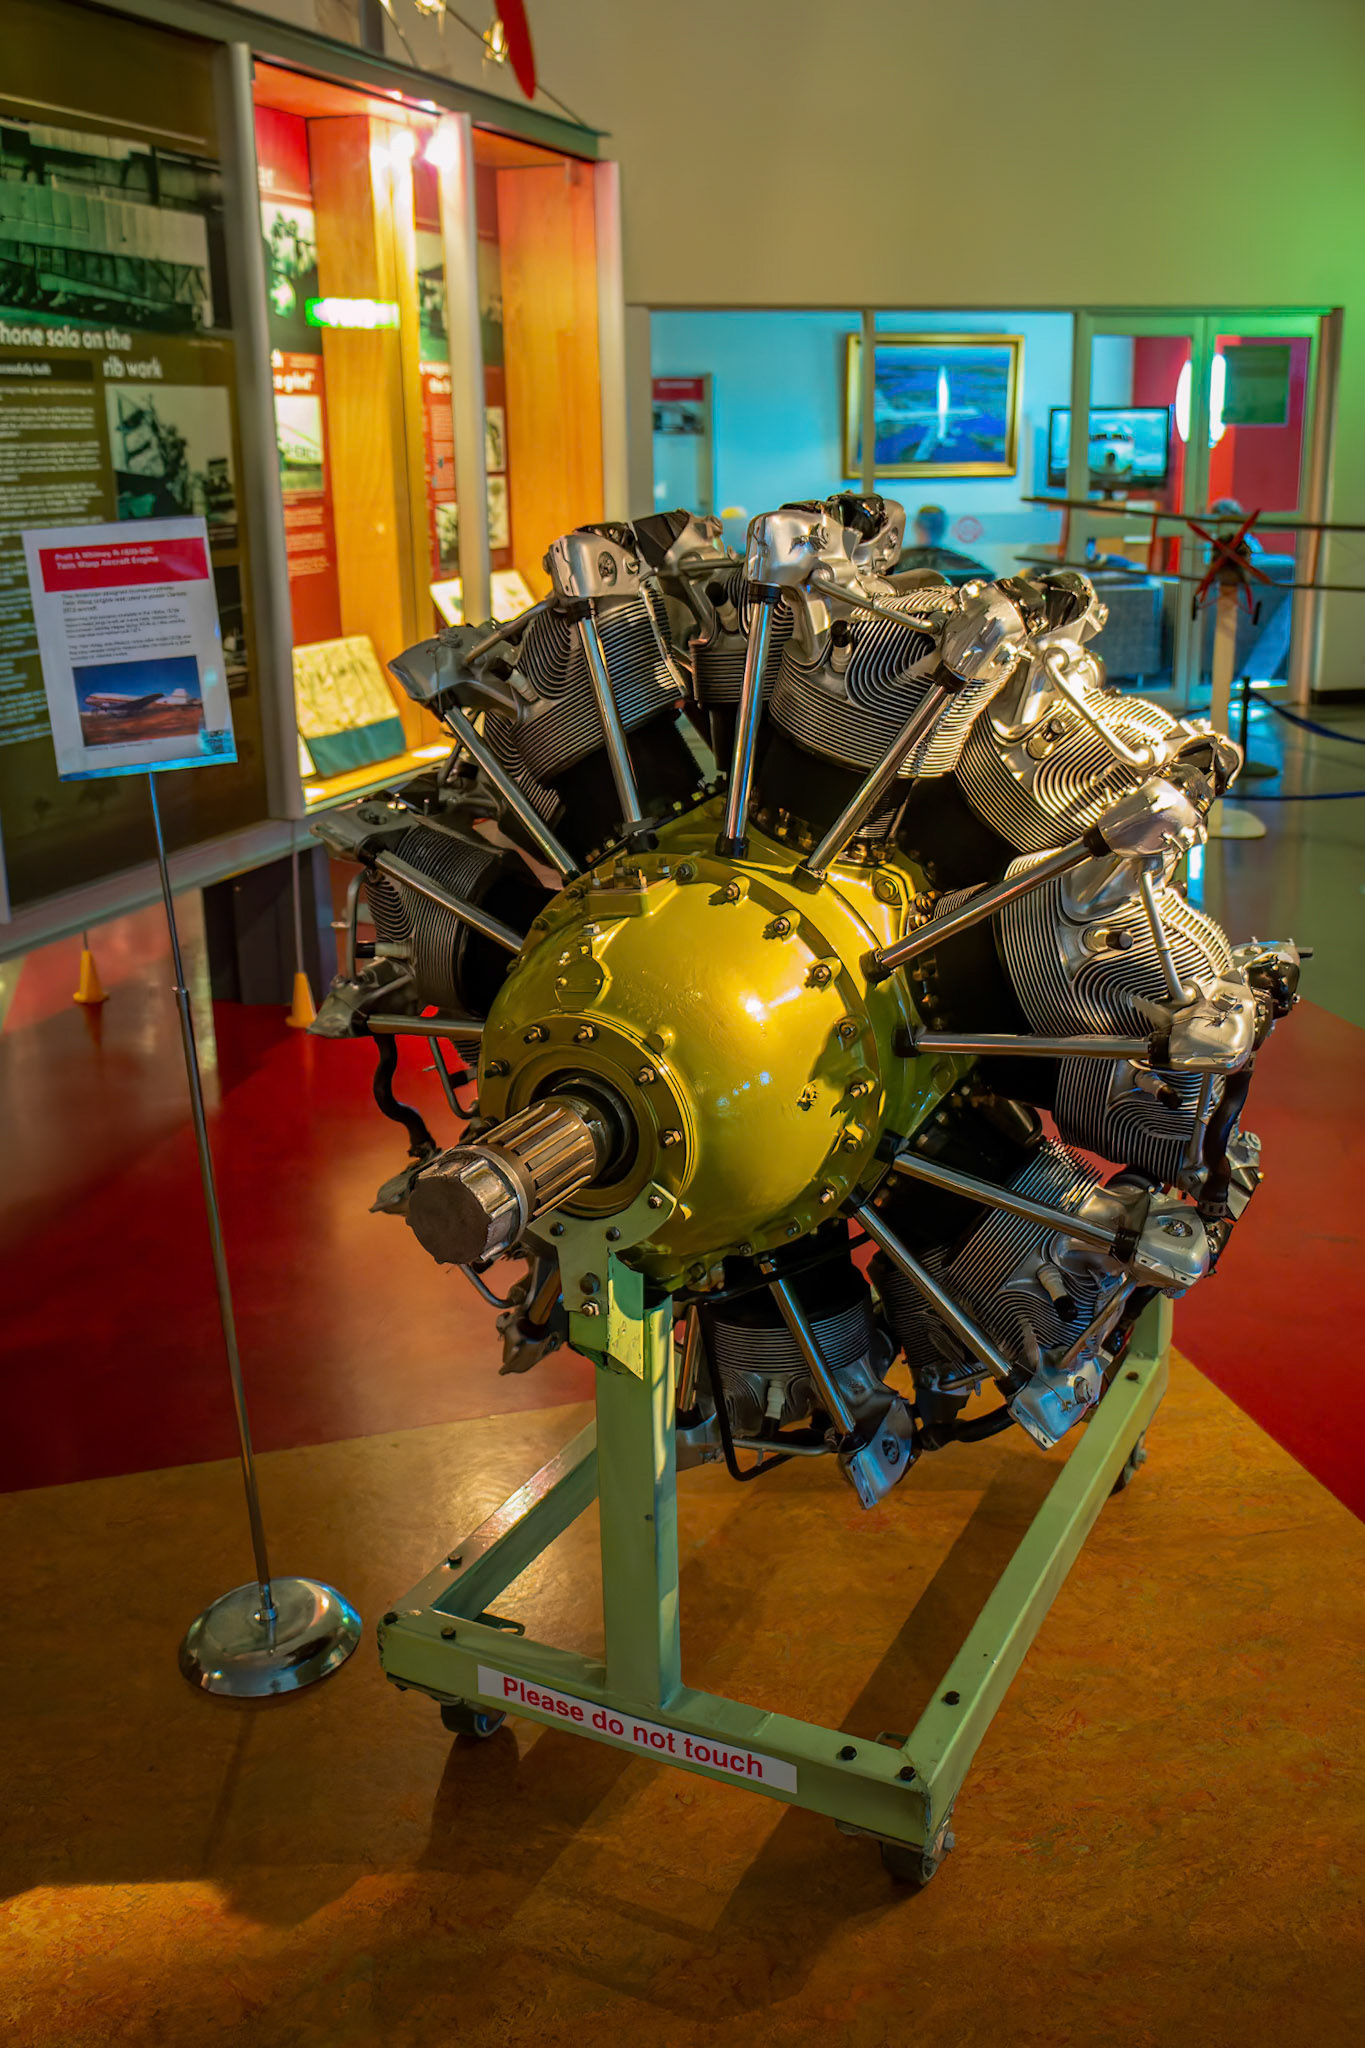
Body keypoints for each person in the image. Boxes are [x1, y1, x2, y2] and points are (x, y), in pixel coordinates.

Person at [895, 503, 994, 584]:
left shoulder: (893, 562)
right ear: (943, 528)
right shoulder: (961, 563)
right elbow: (987, 577)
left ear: (915, 525)